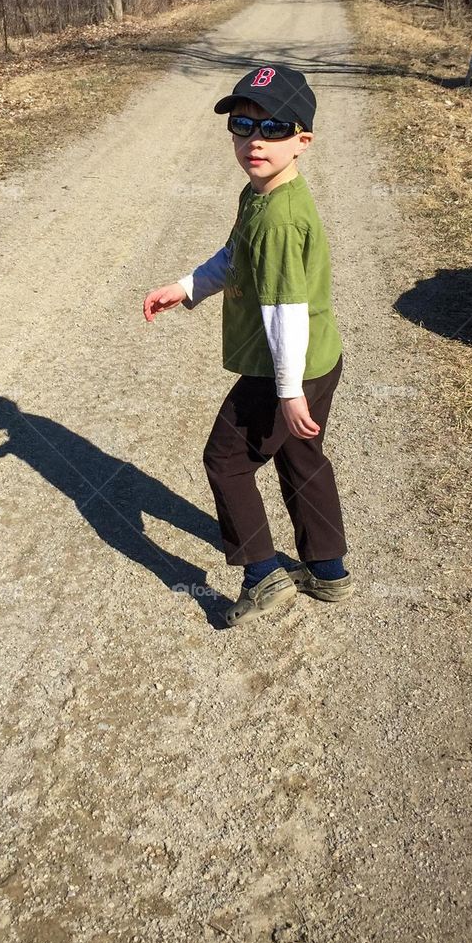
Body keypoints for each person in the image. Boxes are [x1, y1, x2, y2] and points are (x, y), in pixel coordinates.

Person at [143, 63, 351, 628]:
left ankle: (262, 574)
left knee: (226, 460)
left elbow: (286, 311)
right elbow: (234, 256)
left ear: (302, 140)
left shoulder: (281, 218)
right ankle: (327, 569)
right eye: (243, 125)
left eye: (275, 128)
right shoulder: (258, 195)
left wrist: (287, 393)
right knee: (301, 456)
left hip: (283, 367)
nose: (255, 140)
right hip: (314, 362)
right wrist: (186, 288)